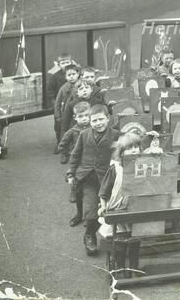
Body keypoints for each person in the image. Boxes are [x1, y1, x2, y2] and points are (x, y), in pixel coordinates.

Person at [66, 104, 120, 255]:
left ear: (108, 119)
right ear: (89, 121)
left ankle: (111, 237)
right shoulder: (84, 135)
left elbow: (130, 144)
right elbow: (75, 155)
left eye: (101, 119)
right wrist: (71, 173)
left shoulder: (116, 135)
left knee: (108, 209)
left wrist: (149, 137)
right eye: (94, 120)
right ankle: (90, 235)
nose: (98, 123)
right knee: (91, 211)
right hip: (88, 178)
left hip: (106, 179)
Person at [97, 132, 142, 278]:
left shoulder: (142, 165)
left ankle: (134, 266)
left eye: (137, 147)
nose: (134, 150)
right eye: (130, 148)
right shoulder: (115, 169)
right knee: (120, 240)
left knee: (135, 240)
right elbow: (103, 191)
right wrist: (103, 206)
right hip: (118, 209)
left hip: (135, 209)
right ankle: (120, 266)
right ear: (122, 152)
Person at [53, 63, 81, 152]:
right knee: (64, 131)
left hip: (78, 112)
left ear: (78, 74)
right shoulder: (63, 88)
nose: (71, 77)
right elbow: (57, 103)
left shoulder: (81, 85)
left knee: (77, 131)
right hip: (66, 113)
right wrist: (57, 115)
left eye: (73, 74)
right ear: (65, 76)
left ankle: (76, 149)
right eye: (69, 75)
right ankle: (63, 151)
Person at [59, 101, 91, 165]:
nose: (84, 118)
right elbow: (62, 145)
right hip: (79, 161)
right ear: (75, 117)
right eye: (80, 116)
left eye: (86, 115)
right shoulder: (72, 131)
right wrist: (69, 154)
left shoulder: (94, 128)